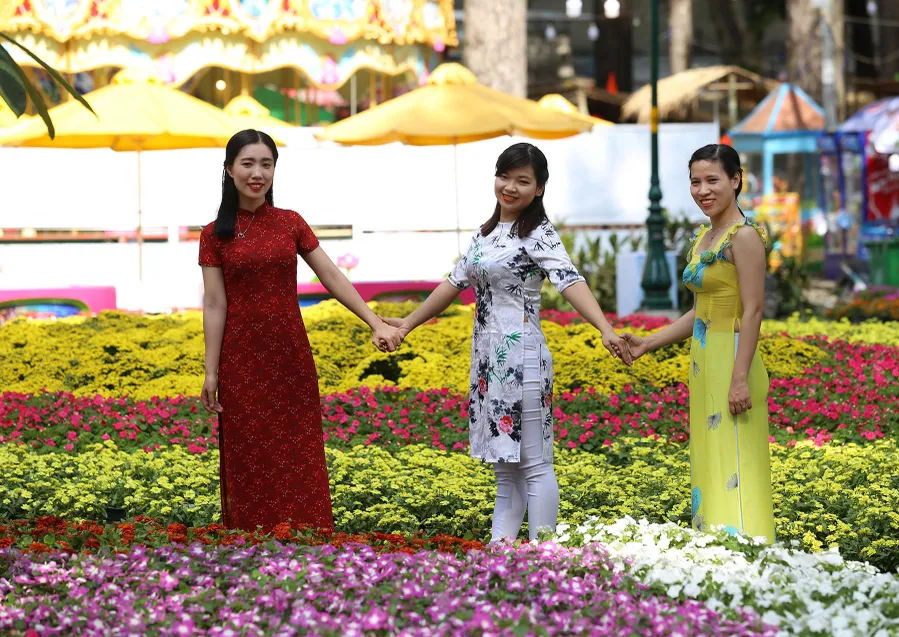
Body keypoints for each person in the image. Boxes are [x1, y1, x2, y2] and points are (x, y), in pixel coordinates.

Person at [381, 143, 629, 543]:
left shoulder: (539, 235)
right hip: (488, 364)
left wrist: (605, 328)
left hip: (523, 358)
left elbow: (570, 281)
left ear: (539, 188)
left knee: (535, 465)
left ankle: (545, 556)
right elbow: (453, 284)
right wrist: (407, 324)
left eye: (522, 181)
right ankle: (500, 556)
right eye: (504, 176)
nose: (510, 187)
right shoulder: (485, 234)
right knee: (505, 468)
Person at [198, 129, 403, 532]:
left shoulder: (290, 223)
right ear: (229, 169)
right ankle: (251, 540)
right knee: (248, 451)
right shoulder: (213, 234)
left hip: (290, 355)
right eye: (247, 164)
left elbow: (331, 275)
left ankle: (309, 535)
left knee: (299, 447)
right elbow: (214, 304)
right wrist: (211, 371)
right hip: (241, 360)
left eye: (266, 164)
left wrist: (375, 321)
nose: (257, 173)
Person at [620, 144, 775, 543]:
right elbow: (699, 314)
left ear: (736, 180)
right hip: (704, 360)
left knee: (735, 458)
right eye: (695, 182)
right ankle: (715, 546)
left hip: (733, 359)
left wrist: (739, 378)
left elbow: (754, 311)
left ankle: (748, 550)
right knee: (710, 456)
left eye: (712, 180)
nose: (703, 190)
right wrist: (647, 343)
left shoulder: (744, 237)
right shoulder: (705, 236)